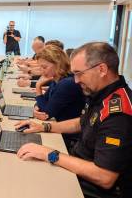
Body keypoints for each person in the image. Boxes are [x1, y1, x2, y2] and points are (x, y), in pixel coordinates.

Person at [15, 42, 132, 198]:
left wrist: (50, 154)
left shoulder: (119, 112)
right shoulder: (101, 93)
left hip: (89, 188)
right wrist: (44, 126)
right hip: (77, 165)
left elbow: (105, 177)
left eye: (79, 73)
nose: (76, 80)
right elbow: (81, 122)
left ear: (102, 69)